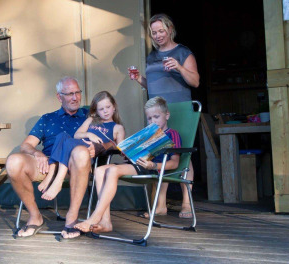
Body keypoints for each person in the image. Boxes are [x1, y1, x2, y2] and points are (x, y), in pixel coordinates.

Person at [74, 96, 181, 233]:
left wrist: (153, 166)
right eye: (149, 118)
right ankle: (106, 222)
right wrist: (128, 153)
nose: (153, 121)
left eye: (156, 117)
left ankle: (95, 216)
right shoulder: (147, 134)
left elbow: (174, 164)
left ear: (167, 115)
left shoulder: (173, 134)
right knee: (100, 171)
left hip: (151, 168)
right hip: (137, 165)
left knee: (112, 171)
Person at [128, 13, 199, 219]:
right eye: (154, 32)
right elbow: (154, 86)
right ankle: (160, 205)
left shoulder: (183, 52)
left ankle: (187, 203)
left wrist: (178, 66)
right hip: (158, 113)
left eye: (161, 31)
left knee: (182, 154)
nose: (158, 35)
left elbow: (195, 81)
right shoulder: (152, 56)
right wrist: (138, 79)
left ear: (170, 29)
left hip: (179, 108)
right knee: (160, 154)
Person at [6, 76, 93, 240]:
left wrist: (98, 148)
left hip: (77, 165)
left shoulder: (89, 116)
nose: (75, 98)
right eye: (69, 94)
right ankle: (35, 216)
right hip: (49, 165)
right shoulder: (47, 119)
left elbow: (109, 138)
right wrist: (37, 154)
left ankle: (72, 218)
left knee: (80, 152)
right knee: (13, 162)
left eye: (77, 93)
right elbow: (25, 146)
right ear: (59, 97)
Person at [38, 91, 125, 201]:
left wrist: (107, 145)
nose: (105, 111)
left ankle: (57, 181)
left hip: (89, 155)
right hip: (75, 151)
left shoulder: (118, 128)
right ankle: (51, 176)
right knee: (62, 136)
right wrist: (89, 134)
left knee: (68, 142)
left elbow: (121, 147)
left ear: (114, 107)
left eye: (108, 107)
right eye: (101, 109)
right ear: (96, 111)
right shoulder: (91, 120)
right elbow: (77, 135)